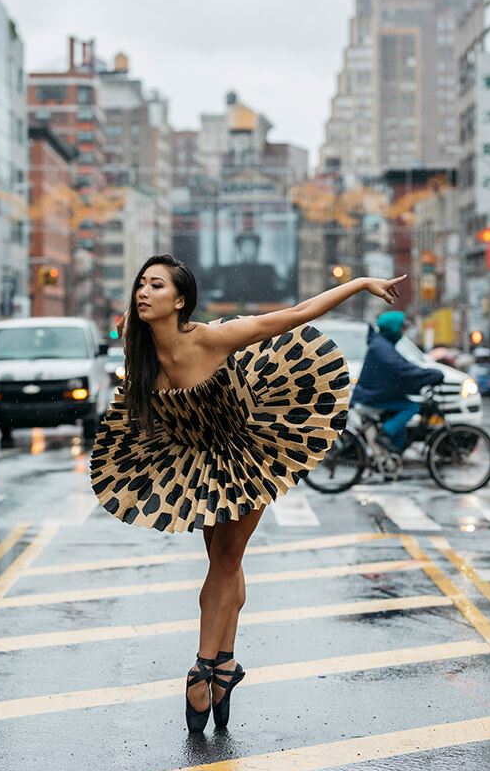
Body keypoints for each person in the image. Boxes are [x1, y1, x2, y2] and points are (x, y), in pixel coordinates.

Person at [91, 255, 406, 732]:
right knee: (225, 562)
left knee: (224, 559)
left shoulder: (214, 337)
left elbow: (297, 316)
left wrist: (361, 284)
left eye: (156, 285)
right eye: (140, 284)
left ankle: (201, 669)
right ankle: (226, 665)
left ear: (179, 300)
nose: (143, 291)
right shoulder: (141, 356)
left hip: (249, 449)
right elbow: (148, 405)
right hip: (198, 459)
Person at [351, 311, 444, 453]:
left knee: (403, 414)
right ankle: (385, 433)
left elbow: (402, 367)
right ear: (394, 328)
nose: (404, 332)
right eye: (403, 328)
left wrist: (425, 375)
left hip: (374, 394)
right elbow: (402, 368)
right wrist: (431, 375)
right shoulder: (382, 347)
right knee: (411, 407)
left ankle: (392, 455)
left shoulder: (382, 344)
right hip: (371, 396)